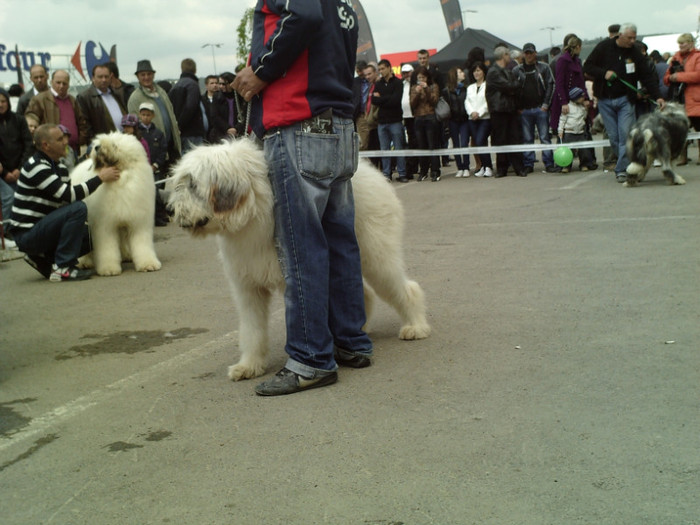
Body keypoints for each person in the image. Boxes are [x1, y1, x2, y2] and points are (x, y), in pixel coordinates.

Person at [232, 0, 373, 396]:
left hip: (299, 126)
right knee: (340, 240)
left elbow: (304, 15)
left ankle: (310, 357)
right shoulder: (343, 3)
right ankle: (351, 340)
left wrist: (261, 70)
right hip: (338, 124)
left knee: (301, 247)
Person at [7, 124, 120, 281]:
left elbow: (64, 204)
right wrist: (100, 178)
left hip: (44, 228)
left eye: (65, 137)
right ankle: (63, 267)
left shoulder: (60, 167)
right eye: (60, 139)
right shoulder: (36, 166)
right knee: (78, 208)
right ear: (46, 145)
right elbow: (69, 195)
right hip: (27, 234)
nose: (66, 141)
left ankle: (43, 259)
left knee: (92, 235)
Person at [583, 23, 664, 182]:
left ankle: (622, 170)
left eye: (634, 37)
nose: (633, 41)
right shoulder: (604, 47)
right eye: (629, 38)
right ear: (620, 36)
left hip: (626, 100)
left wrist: (658, 96)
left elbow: (647, 75)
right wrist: (603, 73)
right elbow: (588, 67)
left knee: (626, 135)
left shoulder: (635, 52)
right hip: (605, 100)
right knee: (614, 138)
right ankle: (628, 163)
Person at [513, 43, 558, 173]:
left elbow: (551, 85)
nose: (528, 55)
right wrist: (518, 107)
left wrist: (545, 105)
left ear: (535, 53)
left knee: (545, 137)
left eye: (530, 53)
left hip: (540, 109)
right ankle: (528, 164)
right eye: (526, 53)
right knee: (527, 139)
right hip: (524, 110)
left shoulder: (544, 68)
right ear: (523, 54)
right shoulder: (517, 70)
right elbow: (513, 89)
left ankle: (549, 163)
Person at [127, 60, 181, 167]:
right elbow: (136, 126)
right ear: (138, 77)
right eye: (143, 75)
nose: (146, 77)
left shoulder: (161, 92)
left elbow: (171, 113)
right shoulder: (135, 98)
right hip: (154, 149)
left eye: (149, 74)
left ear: (153, 75)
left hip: (171, 143)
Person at [26, 70, 89, 156]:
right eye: (58, 83)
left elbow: (82, 122)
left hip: (72, 150)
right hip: (51, 152)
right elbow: (31, 121)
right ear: (51, 82)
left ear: (68, 84)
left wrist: (80, 139)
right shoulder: (39, 99)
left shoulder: (72, 100)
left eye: (64, 83)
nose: (61, 86)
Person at [1, 87, 34, 248]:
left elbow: (28, 144)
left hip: (21, 169)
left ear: (8, 102)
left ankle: (24, 232)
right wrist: (6, 172)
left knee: (25, 200)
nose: (0, 104)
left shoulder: (19, 120)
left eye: (3, 101)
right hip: (3, 173)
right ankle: (5, 232)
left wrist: (20, 168)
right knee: (8, 198)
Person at [486, 46, 526, 177]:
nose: (510, 57)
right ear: (504, 56)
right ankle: (502, 168)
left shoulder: (507, 71)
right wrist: (516, 85)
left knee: (515, 138)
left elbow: (512, 87)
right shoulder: (493, 72)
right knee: (500, 139)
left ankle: (518, 167)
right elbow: (509, 86)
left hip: (511, 110)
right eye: (508, 55)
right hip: (499, 111)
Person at [664, 33, 700, 165]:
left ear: (691, 43)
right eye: (679, 44)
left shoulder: (698, 56)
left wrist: (678, 76)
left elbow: (698, 75)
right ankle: (682, 156)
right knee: (680, 129)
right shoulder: (676, 57)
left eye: (683, 43)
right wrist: (670, 78)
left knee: (698, 128)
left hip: (695, 100)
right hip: (679, 99)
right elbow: (666, 77)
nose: (680, 46)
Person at [372, 59, 408, 182]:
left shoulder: (398, 83)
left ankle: (402, 173)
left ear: (389, 68)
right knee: (384, 150)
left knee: (399, 148)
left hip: (395, 120)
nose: (381, 71)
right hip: (382, 122)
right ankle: (386, 174)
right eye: (379, 69)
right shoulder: (378, 84)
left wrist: (382, 98)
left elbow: (396, 100)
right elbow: (374, 101)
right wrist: (386, 98)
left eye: (382, 69)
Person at [550, 35, 589, 143]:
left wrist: (585, 97)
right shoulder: (562, 60)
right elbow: (559, 82)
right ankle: (563, 157)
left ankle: (587, 158)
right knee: (562, 130)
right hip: (565, 101)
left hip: (578, 100)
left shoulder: (577, 61)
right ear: (577, 47)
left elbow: (581, 81)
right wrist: (563, 102)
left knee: (582, 127)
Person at [77, 63, 127, 142]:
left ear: (110, 77)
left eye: (106, 77)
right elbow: (86, 126)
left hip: (123, 141)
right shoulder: (85, 97)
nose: (104, 80)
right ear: (93, 78)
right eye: (100, 77)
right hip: (104, 145)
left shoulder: (116, 94)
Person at [137, 102, 169, 226]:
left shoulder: (158, 134)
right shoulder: (138, 134)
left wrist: (156, 165)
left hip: (155, 168)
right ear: (139, 115)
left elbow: (163, 151)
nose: (146, 117)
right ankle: (151, 217)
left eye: (148, 115)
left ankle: (160, 215)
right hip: (142, 169)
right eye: (143, 115)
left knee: (157, 192)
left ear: (153, 116)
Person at [169, 58, 208, 152]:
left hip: (182, 133)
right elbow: (190, 107)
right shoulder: (193, 85)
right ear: (195, 70)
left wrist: (177, 125)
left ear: (182, 69)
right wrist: (181, 124)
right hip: (192, 132)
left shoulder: (175, 87)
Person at [410, 66, 441, 181]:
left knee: (432, 145)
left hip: (430, 117)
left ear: (427, 78)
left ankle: (435, 171)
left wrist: (427, 89)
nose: (421, 80)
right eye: (419, 78)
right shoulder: (414, 88)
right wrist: (417, 93)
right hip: (418, 118)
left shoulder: (433, 86)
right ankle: (423, 171)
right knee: (421, 146)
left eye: (423, 77)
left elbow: (434, 101)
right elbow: (412, 104)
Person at [557, 87, 597, 173]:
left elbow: (584, 117)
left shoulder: (582, 107)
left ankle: (583, 164)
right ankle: (566, 166)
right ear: (575, 98)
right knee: (568, 150)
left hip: (580, 132)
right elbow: (562, 120)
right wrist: (560, 131)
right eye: (581, 97)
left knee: (584, 150)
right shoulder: (567, 107)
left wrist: (586, 109)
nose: (583, 98)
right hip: (569, 132)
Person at [466, 62, 493, 177]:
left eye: (478, 70)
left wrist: (479, 112)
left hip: (485, 118)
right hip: (472, 119)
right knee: (477, 142)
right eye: (474, 71)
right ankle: (482, 166)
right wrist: (472, 112)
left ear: (483, 72)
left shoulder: (488, 85)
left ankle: (488, 167)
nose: (476, 73)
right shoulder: (470, 87)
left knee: (481, 140)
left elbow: (488, 102)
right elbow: (467, 102)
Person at [444, 67, 470, 177]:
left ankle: (466, 167)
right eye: (459, 72)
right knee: (456, 144)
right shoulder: (447, 91)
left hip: (464, 120)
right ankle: (460, 167)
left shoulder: (466, 89)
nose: (462, 73)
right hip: (453, 120)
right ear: (454, 75)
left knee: (464, 143)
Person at [400, 63, 418, 179]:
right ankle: (412, 168)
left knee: (419, 142)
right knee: (411, 143)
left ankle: (421, 167)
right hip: (406, 117)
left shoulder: (416, 84)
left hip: (417, 116)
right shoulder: (402, 85)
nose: (407, 75)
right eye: (404, 73)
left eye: (408, 72)